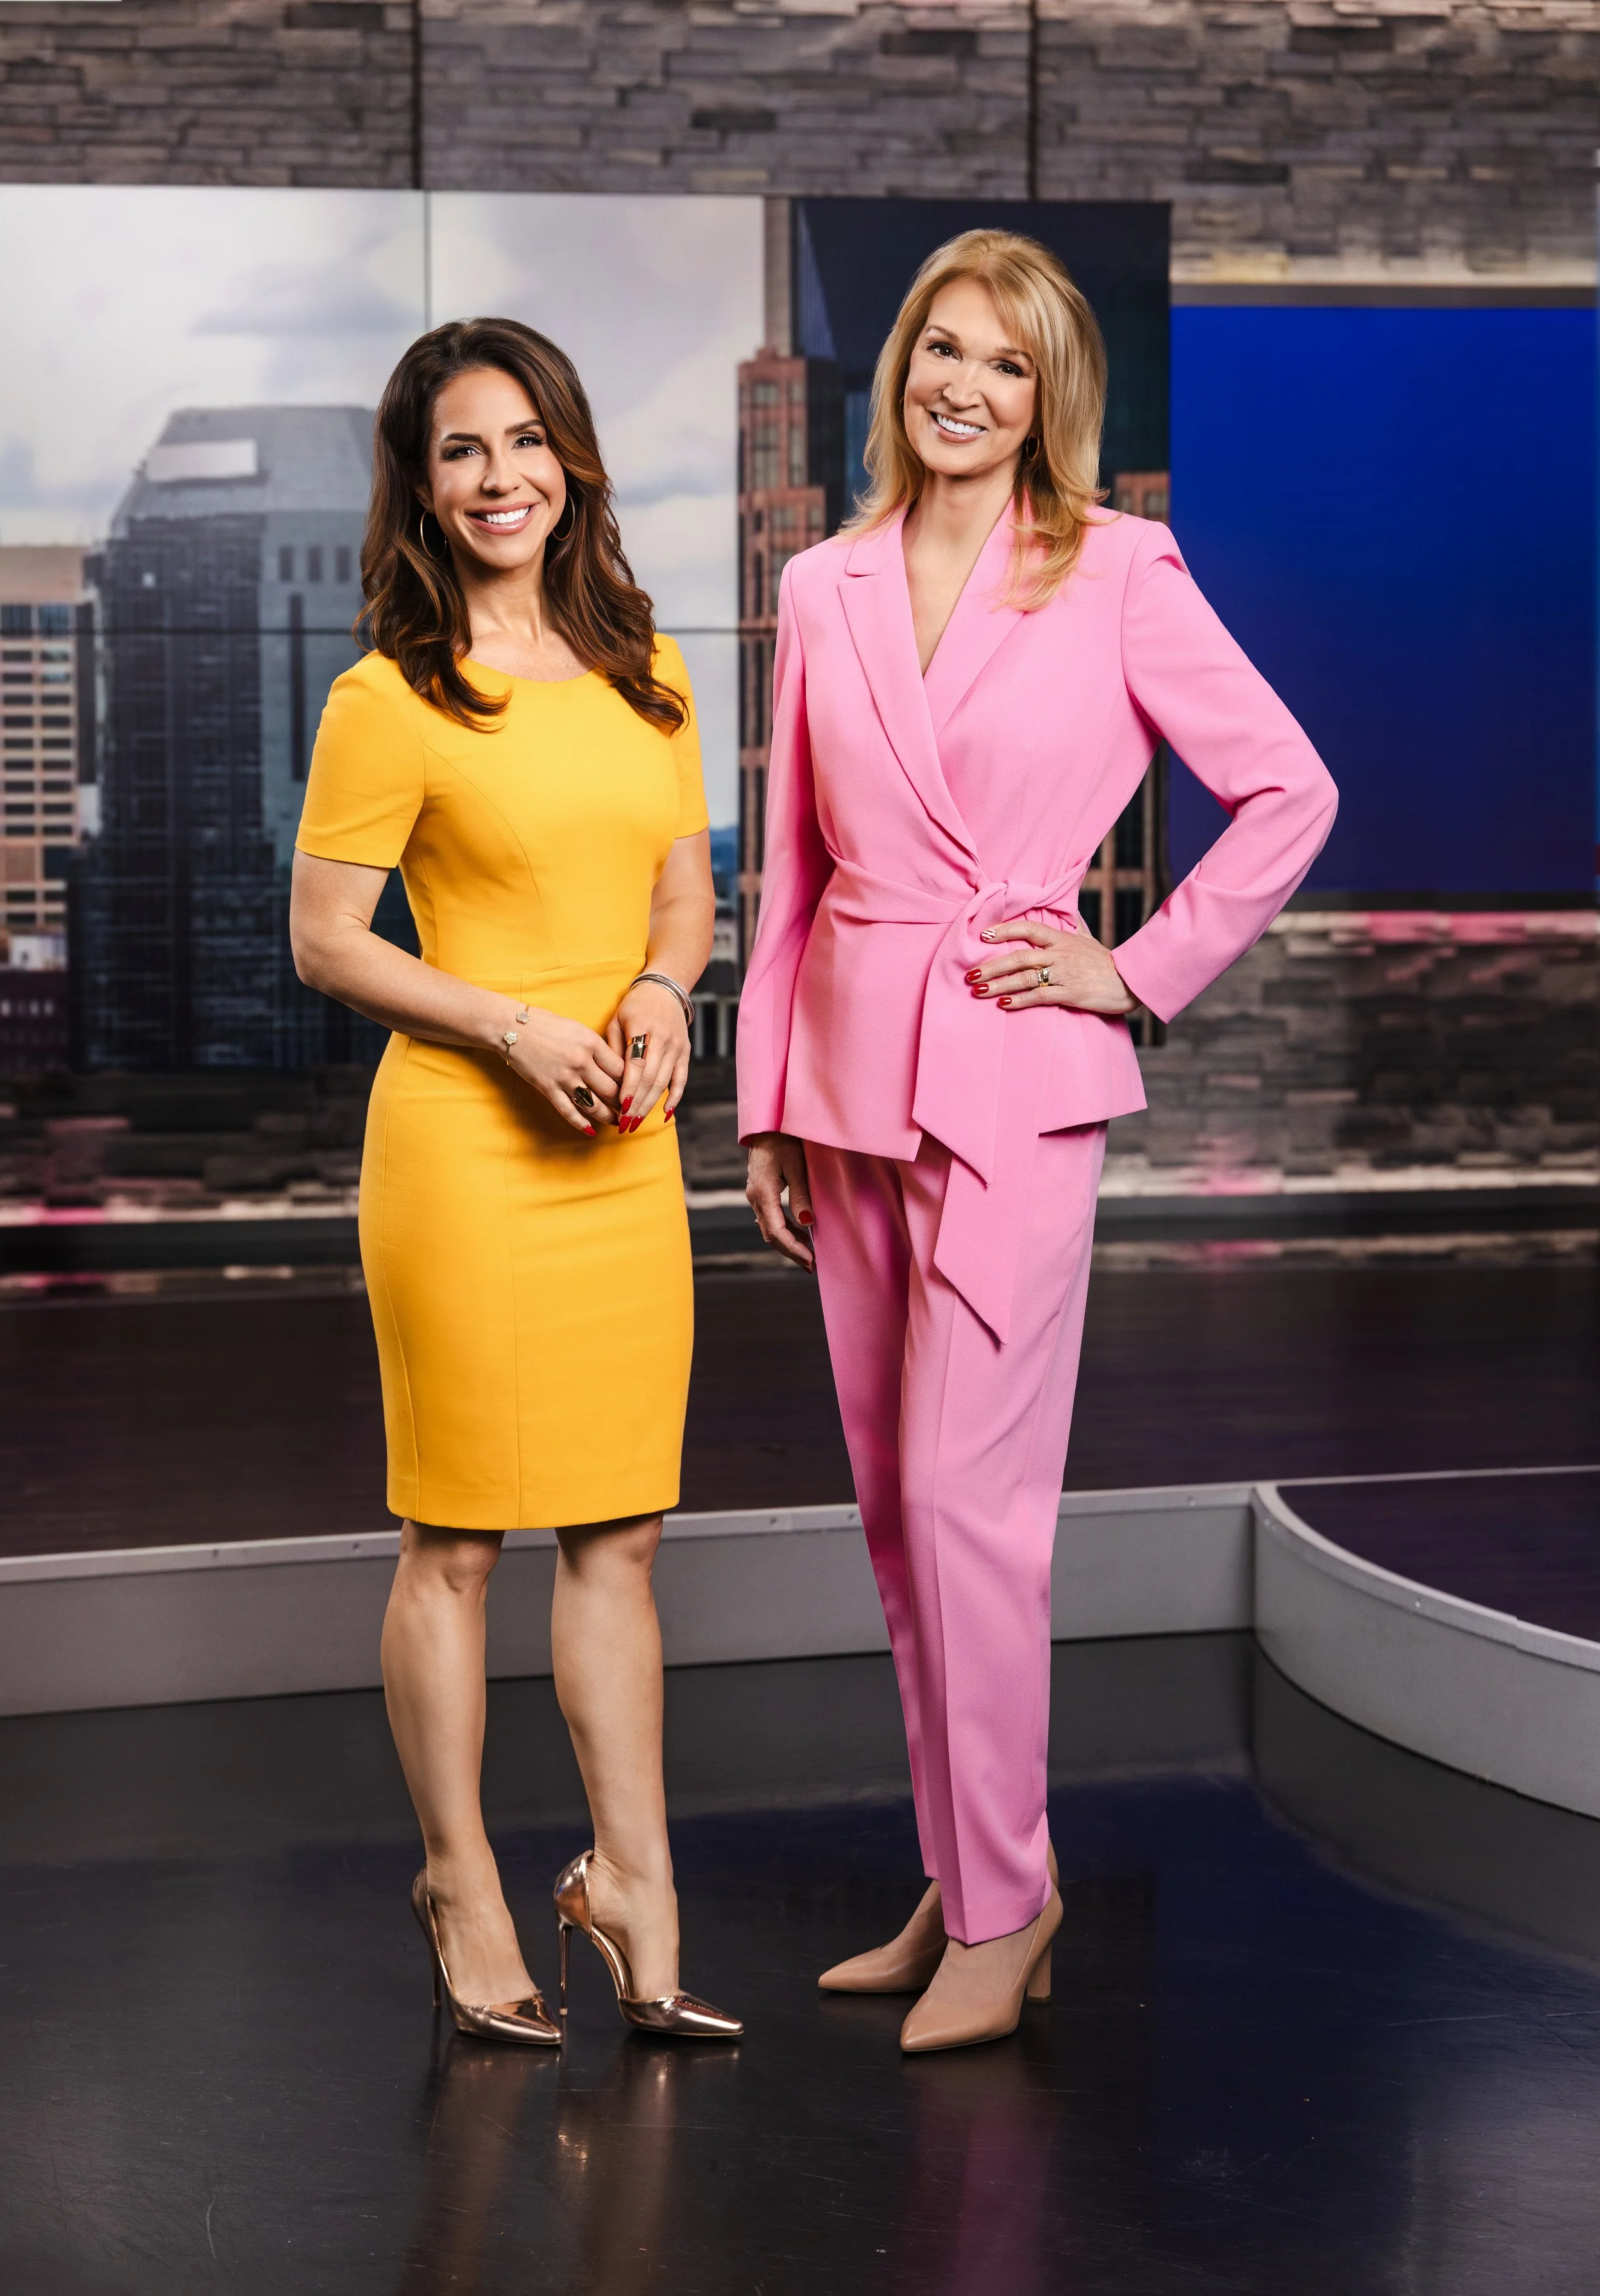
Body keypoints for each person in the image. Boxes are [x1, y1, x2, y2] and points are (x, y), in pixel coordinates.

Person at [740, 231, 1337, 2053]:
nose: (965, 385)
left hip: (1013, 1076)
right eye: (943, 347)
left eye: (1006, 363)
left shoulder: (1119, 569)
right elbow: (792, 869)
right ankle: (965, 1870)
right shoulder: (822, 582)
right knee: (896, 1516)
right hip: (845, 1081)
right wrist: (762, 1104)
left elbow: (1288, 789)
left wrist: (1133, 971)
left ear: (1046, 396)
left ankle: (1010, 1906)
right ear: (899, 365)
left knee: (970, 1511)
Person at [291, 317, 740, 2045]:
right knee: (460, 1538)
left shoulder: (649, 668)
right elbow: (327, 940)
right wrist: (510, 1024)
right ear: (420, 484)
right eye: (463, 449)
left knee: (620, 1534)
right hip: (465, 1155)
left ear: (572, 457)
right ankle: (461, 1879)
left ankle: (634, 1883)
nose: (502, 478)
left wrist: (659, 996)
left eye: (527, 439)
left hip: (620, 1150)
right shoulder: (388, 696)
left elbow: (685, 900)